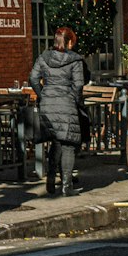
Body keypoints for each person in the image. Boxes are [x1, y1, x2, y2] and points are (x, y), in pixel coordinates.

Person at [30, 26, 86, 197]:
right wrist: (74, 100)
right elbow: (78, 85)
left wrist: (42, 94)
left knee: (56, 141)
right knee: (68, 144)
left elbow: (33, 78)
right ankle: (67, 186)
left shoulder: (44, 57)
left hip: (47, 104)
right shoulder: (75, 61)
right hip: (66, 103)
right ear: (69, 42)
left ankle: (51, 181)